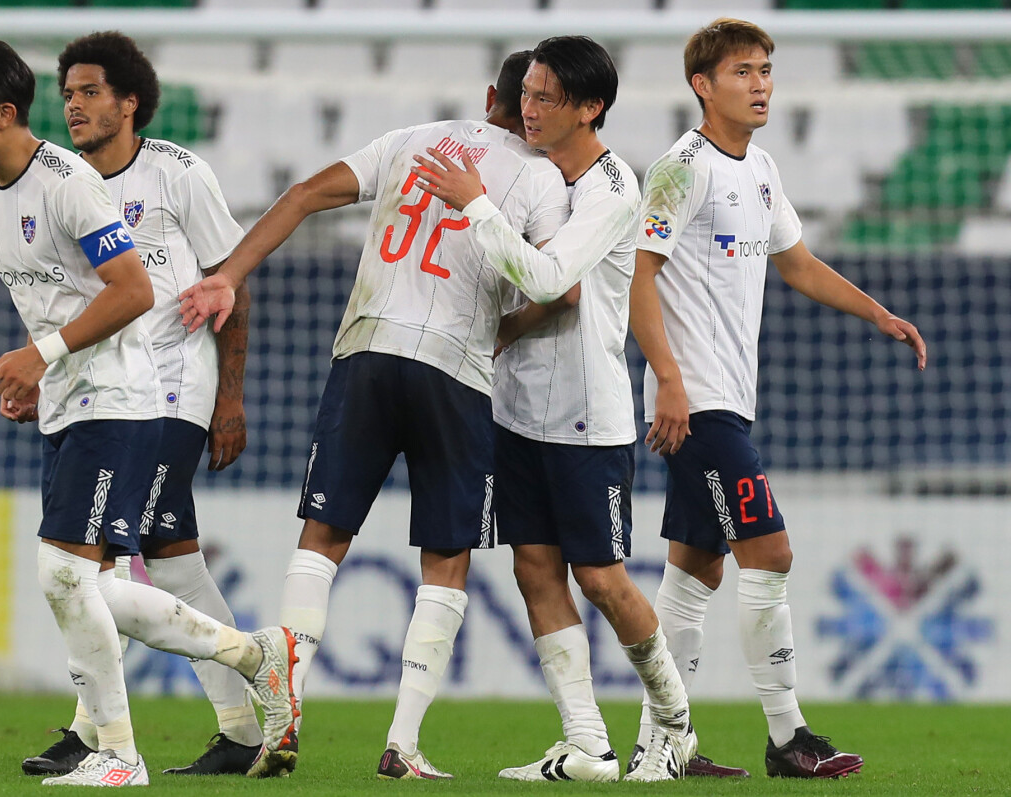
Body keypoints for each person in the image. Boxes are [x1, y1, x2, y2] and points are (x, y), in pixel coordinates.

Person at [178, 51, 568, 779]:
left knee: (322, 537)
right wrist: (502, 330)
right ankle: (403, 743)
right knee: (445, 558)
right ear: (542, 106)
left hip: (366, 349)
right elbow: (560, 285)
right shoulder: (543, 176)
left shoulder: (409, 139)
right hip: (455, 368)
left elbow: (299, 194)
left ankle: (283, 716)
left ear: (491, 95)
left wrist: (227, 274)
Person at [0, 38, 297, 788]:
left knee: (73, 572)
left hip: (141, 394)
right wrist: (42, 366)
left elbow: (133, 290)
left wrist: (225, 396)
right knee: (118, 569)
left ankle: (112, 748)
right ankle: (252, 660)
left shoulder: (80, 182)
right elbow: (52, 296)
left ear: (2, 113)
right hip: (76, 394)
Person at [629, 18, 926, 780]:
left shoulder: (760, 168)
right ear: (703, 84)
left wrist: (879, 313)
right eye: (742, 71)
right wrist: (667, 378)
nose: (761, 83)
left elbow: (797, 262)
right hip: (694, 403)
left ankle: (662, 746)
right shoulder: (679, 168)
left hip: (726, 396)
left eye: (766, 69)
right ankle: (789, 736)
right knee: (771, 551)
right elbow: (639, 279)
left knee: (694, 573)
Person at [414, 35, 698, 784]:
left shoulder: (612, 189)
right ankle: (588, 743)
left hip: (586, 413)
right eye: (527, 93)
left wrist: (474, 203)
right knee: (535, 569)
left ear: (589, 107)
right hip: (513, 409)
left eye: (545, 98)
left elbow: (547, 277)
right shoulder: (536, 174)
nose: (528, 109)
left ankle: (674, 725)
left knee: (601, 577)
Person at [17, 31, 263, 778]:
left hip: (173, 388)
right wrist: (46, 373)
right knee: (166, 555)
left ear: (129, 101)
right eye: (67, 94)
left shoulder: (179, 174)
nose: (74, 106)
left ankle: (97, 733)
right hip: (103, 391)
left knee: (99, 558)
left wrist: (229, 398)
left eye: (90, 92)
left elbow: (232, 284)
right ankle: (248, 717)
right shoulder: (64, 182)